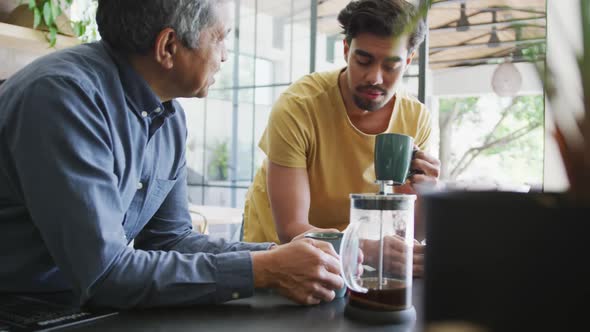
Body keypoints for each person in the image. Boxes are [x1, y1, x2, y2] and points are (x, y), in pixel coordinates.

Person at [0, 0, 343, 308]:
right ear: (168, 46)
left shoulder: (169, 117)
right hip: (21, 305)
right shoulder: (63, 99)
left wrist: (278, 256)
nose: (225, 55)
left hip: (79, 305)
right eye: (220, 38)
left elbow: (171, 239)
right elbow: (104, 275)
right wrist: (265, 270)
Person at [242, 0, 441, 277]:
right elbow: (290, 229)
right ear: (346, 49)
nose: (375, 78)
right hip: (275, 253)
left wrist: (425, 194)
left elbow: (409, 232)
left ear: (407, 61)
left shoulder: (416, 118)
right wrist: (370, 250)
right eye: (364, 61)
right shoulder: (299, 106)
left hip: (352, 260)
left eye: (391, 66)